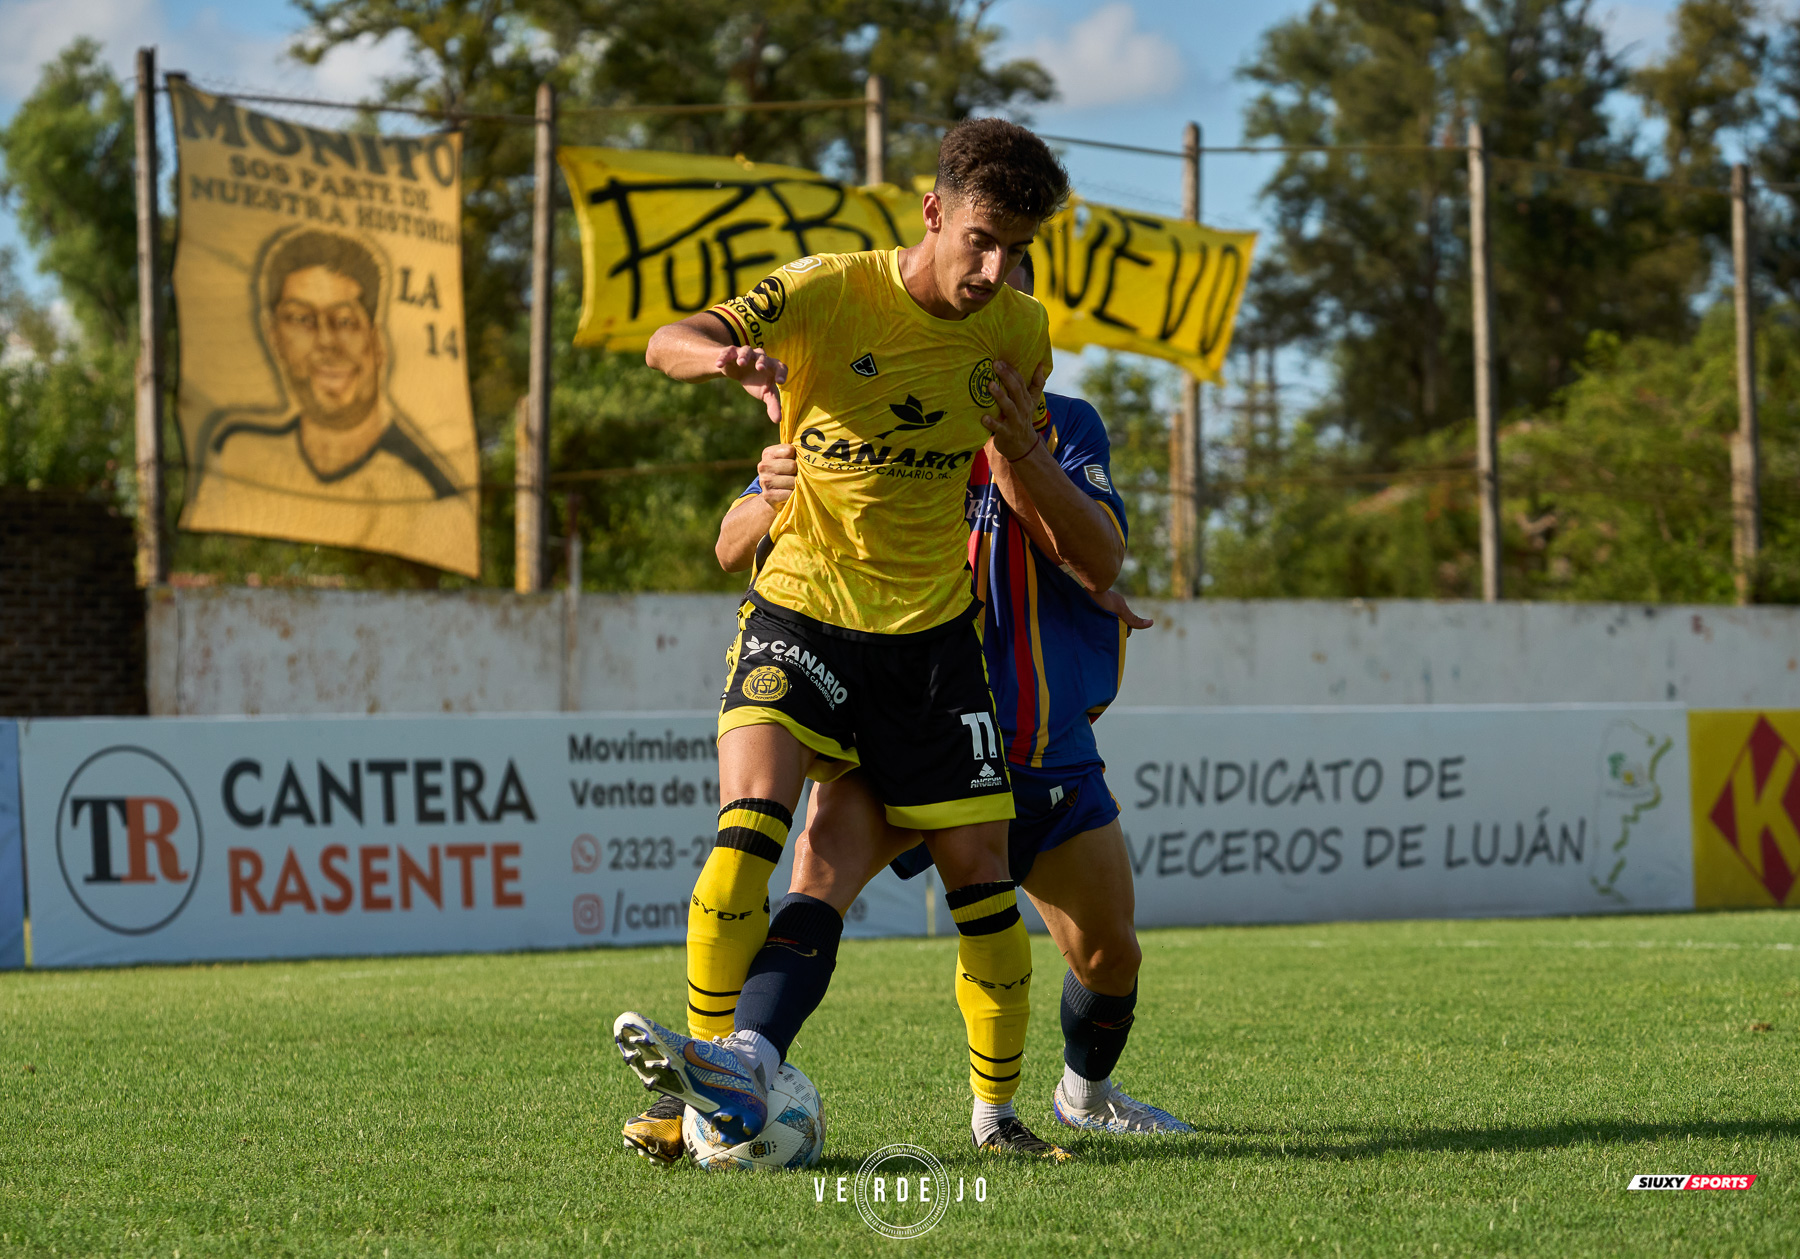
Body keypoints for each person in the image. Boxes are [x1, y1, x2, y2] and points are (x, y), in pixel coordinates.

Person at [621, 253, 1187, 1167]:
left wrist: (1019, 452)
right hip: (899, 712)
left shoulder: (1059, 425)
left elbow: (1099, 552)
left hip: (1035, 744)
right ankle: (718, 1084)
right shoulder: (857, 388)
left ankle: (1084, 1093)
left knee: (1109, 953)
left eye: (1012, 308)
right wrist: (771, 494)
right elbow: (730, 538)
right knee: (812, 876)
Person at [610, 119, 1072, 1156]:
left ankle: (997, 1118)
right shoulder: (823, 288)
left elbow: (1012, 458)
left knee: (983, 887)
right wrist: (721, 357)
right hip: (802, 610)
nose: (995, 270)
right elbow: (664, 339)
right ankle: (701, 1088)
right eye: (982, 240)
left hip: (930, 640)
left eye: (1019, 251)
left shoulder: (1019, 331)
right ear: (933, 212)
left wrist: (1023, 446)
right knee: (747, 835)